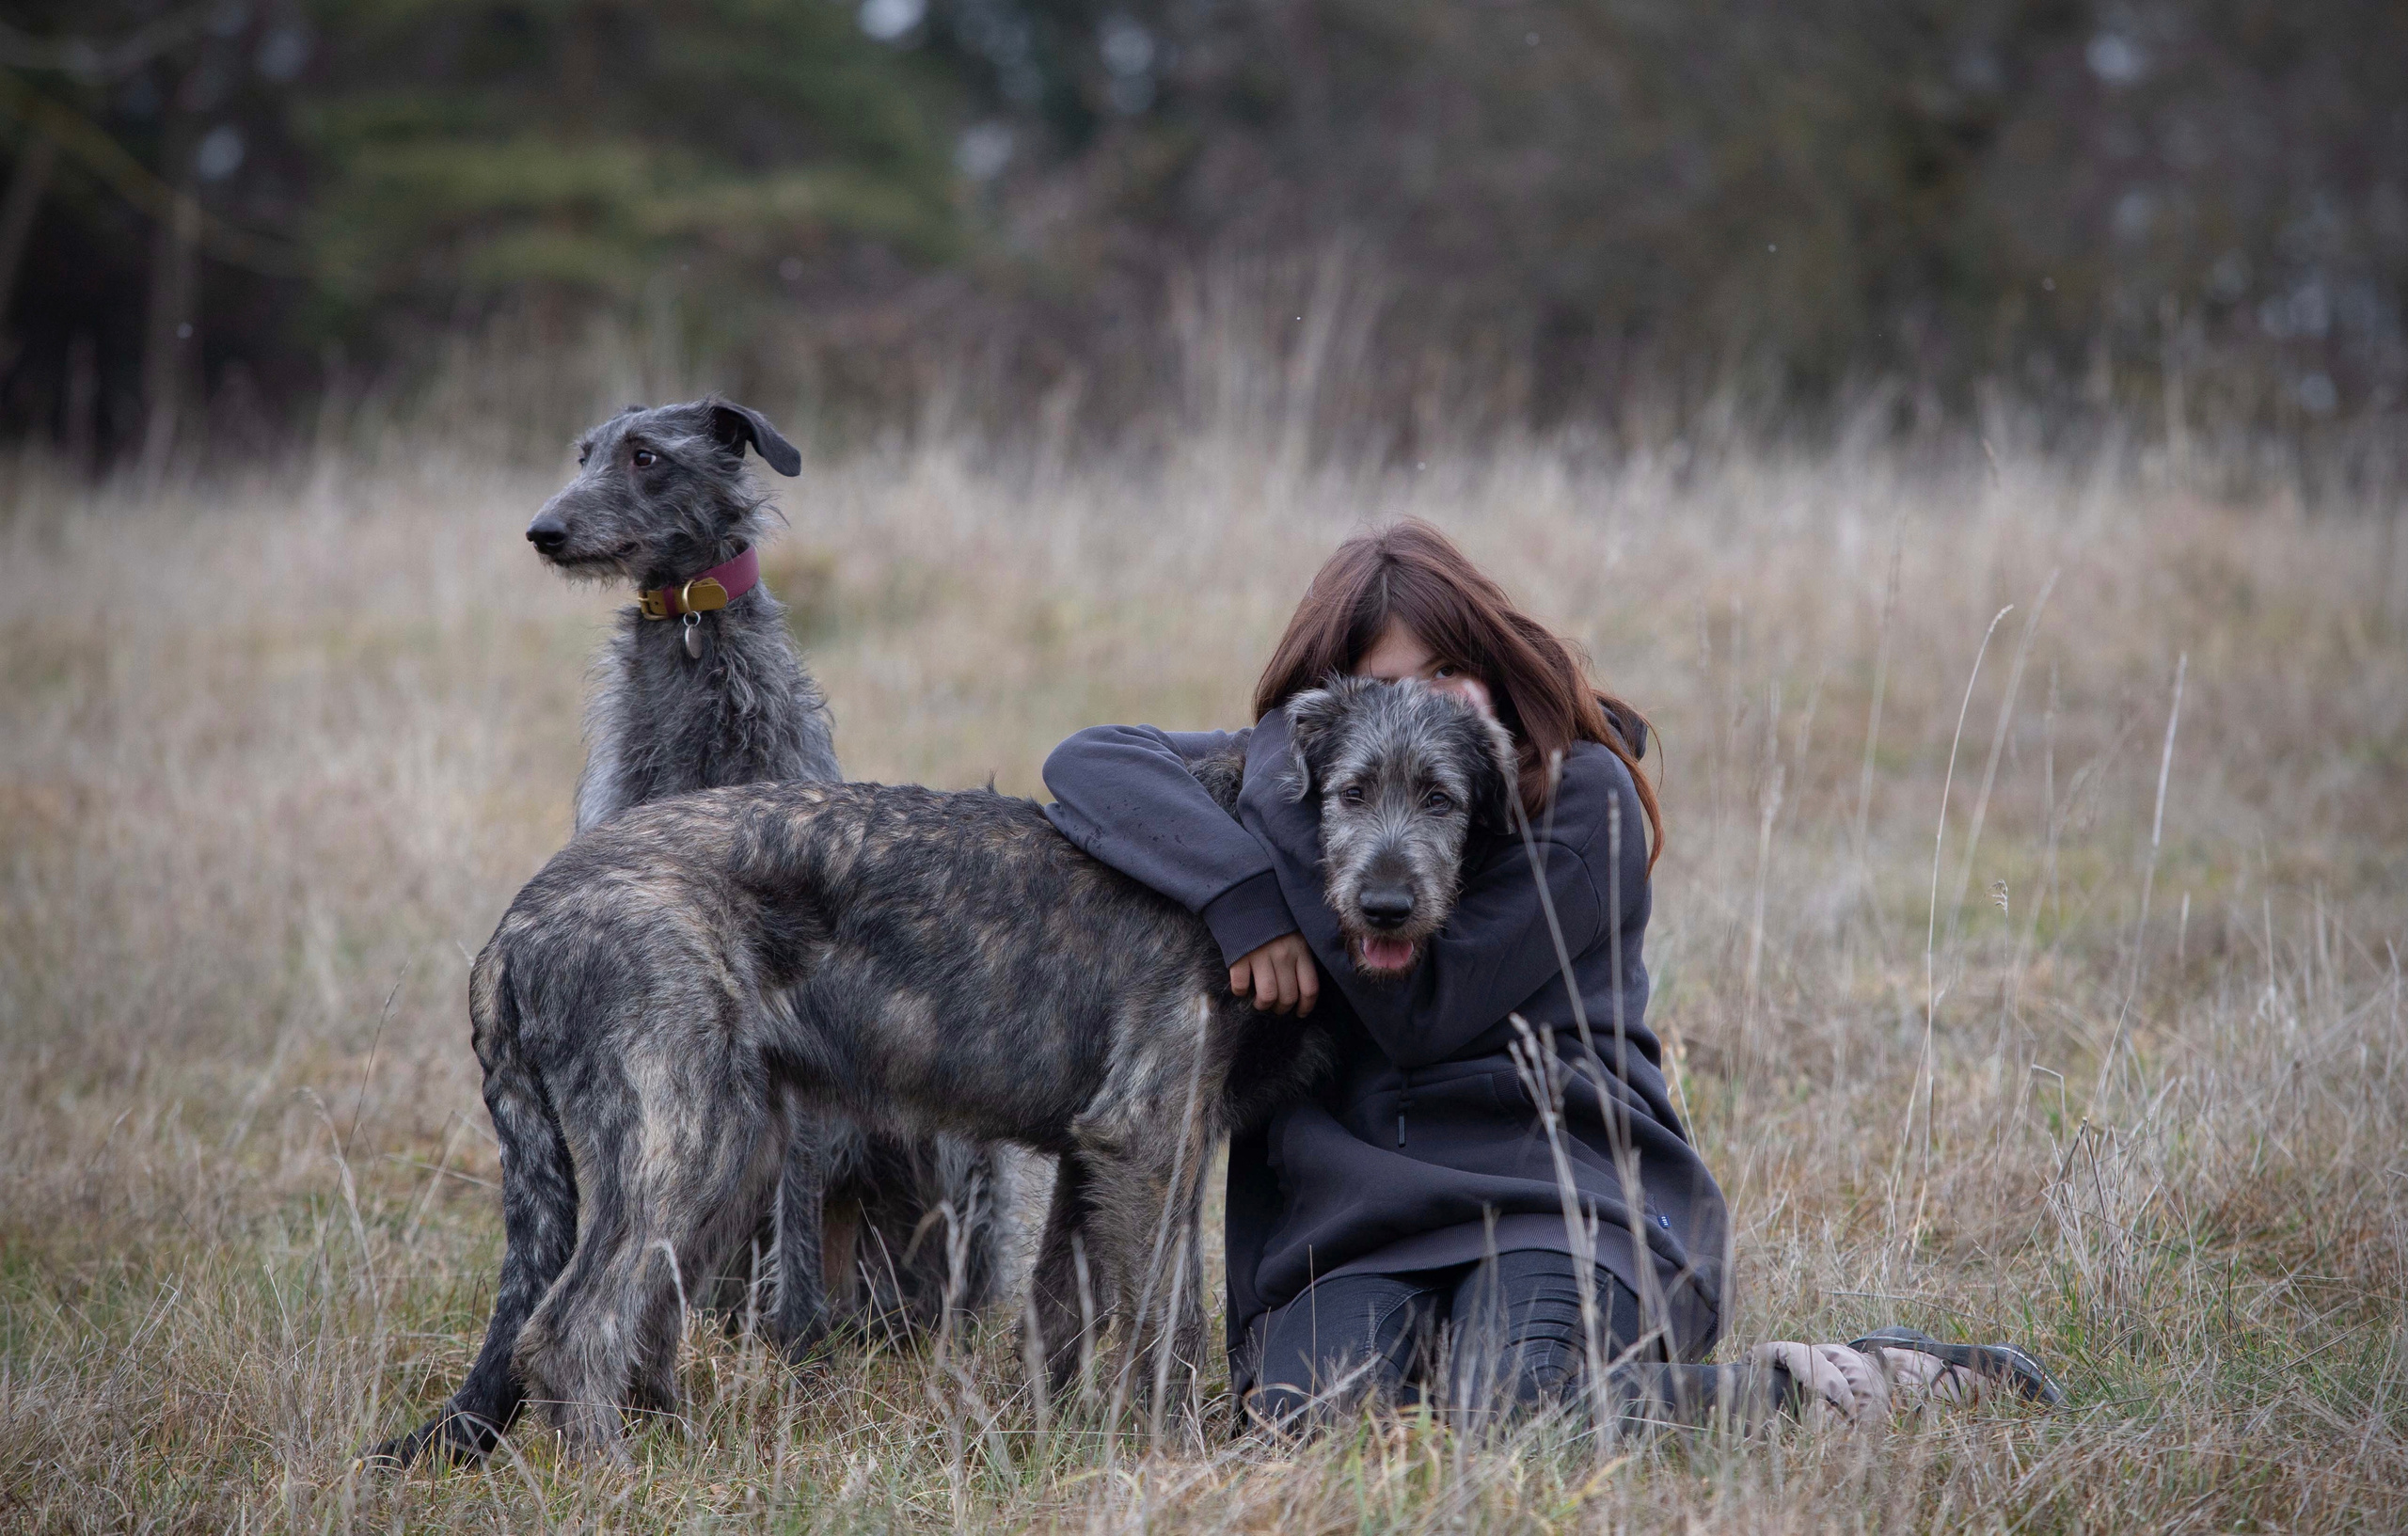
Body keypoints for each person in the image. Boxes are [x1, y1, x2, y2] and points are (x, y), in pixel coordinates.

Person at [1043, 520, 2063, 1433]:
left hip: (1558, 1203)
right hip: (1347, 1228)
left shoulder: (1586, 796)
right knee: (1306, 1432)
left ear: (1490, 661)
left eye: (1443, 673)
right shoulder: (1310, 765)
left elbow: (1419, 1010)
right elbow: (1091, 760)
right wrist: (1241, 896)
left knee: (1524, 1418)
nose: (1415, 710)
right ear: (1326, 710)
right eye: (1381, 688)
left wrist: (1277, 811)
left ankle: (1843, 1383)